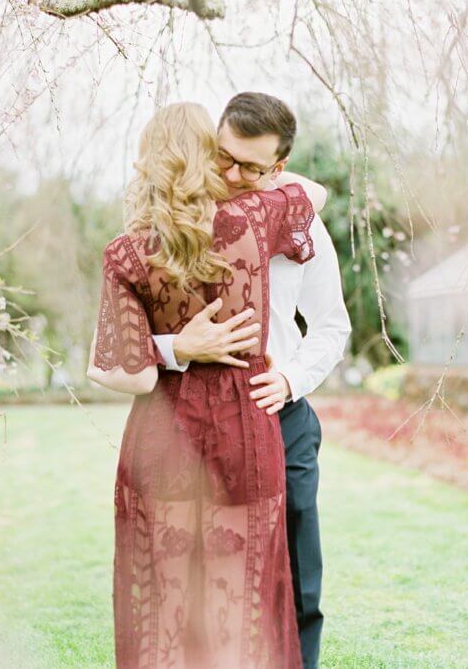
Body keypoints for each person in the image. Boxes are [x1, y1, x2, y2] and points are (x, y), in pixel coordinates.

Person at [87, 101, 327, 669]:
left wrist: (174, 350)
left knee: (167, 605)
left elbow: (126, 372)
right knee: (244, 602)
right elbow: (313, 194)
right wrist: (263, 178)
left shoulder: (126, 253)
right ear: (209, 160)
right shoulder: (254, 221)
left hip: (163, 438)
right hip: (244, 431)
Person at [150, 92, 351, 669]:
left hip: (280, 420)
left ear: (279, 168)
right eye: (224, 157)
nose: (232, 175)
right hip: (197, 425)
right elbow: (130, 328)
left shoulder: (299, 227)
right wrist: (175, 351)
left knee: (297, 584)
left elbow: (332, 326)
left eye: (251, 167)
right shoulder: (180, 221)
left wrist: (289, 380)